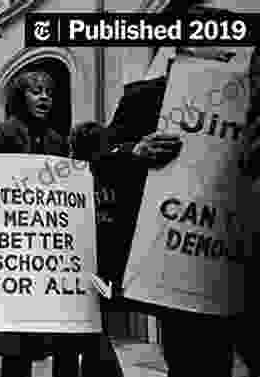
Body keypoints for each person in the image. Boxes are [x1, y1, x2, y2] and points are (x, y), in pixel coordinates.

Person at [96, 41, 243, 377]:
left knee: (220, 355)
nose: (228, 55)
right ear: (188, 48)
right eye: (218, 45)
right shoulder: (143, 96)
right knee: (190, 355)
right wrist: (135, 151)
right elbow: (102, 157)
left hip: (232, 248)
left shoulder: (244, 95)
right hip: (177, 253)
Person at [0, 68, 85, 377]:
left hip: (48, 257)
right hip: (13, 256)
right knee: (17, 348)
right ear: (20, 97)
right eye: (35, 91)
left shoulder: (58, 141)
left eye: (49, 92)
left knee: (61, 340)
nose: (44, 97)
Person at [69, 121, 126, 377]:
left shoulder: (113, 172)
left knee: (95, 326)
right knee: (94, 327)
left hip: (101, 269)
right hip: (87, 268)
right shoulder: (71, 177)